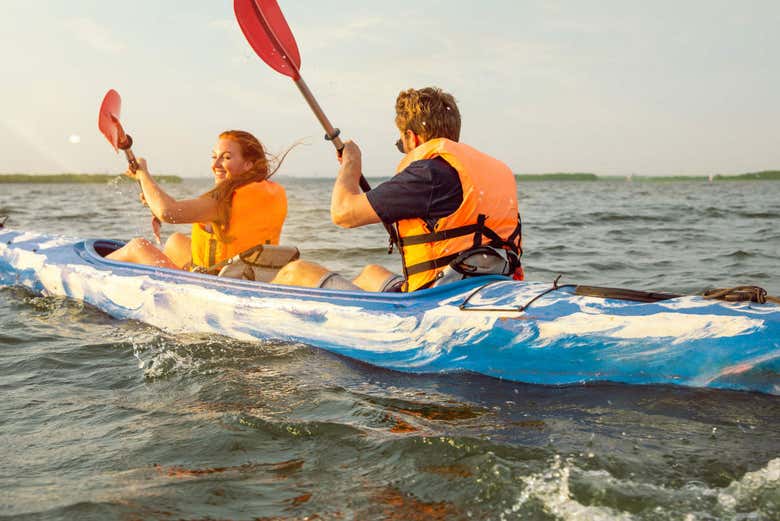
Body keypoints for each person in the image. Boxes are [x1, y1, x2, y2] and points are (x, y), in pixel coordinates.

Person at [273, 87, 522, 292]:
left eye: (401, 143)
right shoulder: (476, 171)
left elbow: (343, 213)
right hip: (489, 285)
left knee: (296, 271)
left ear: (412, 138)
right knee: (371, 273)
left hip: (437, 299)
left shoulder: (430, 173)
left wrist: (351, 164)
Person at [107, 130, 288, 272]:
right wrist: (153, 200)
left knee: (138, 246)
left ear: (248, 164)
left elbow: (168, 212)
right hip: (249, 278)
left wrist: (143, 174)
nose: (215, 164)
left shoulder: (223, 200)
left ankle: (89, 269)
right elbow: (189, 211)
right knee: (176, 241)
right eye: (214, 156)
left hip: (216, 286)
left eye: (226, 158)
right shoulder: (270, 193)